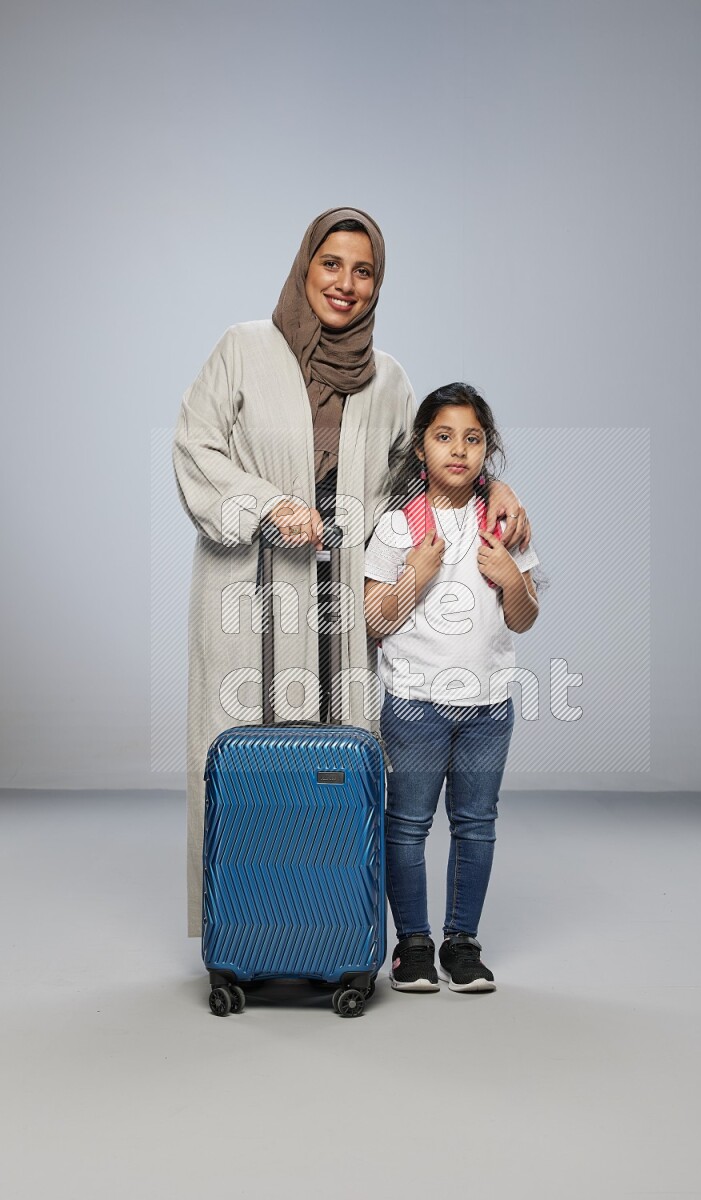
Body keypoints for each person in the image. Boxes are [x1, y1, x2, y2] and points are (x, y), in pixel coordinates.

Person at [174, 209, 531, 937]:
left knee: (337, 766)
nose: (346, 283)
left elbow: (428, 473)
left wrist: (496, 487)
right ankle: (243, 929)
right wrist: (270, 503)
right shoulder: (242, 349)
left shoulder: (390, 379)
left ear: (378, 284)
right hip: (251, 589)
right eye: (331, 263)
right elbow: (196, 448)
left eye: (364, 270)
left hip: (343, 604)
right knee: (242, 760)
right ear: (304, 266)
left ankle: (330, 930)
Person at [364, 382, 545, 993]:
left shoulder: (502, 521)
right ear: (422, 448)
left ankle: (461, 942)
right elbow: (375, 617)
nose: (458, 451)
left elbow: (523, 617)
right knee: (408, 824)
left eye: (472, 439)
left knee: (476, 823)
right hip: (414, 703)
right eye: (444, 437)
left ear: (486, 449)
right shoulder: (397, 525)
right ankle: (412, 944)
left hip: (489, 705)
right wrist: (418, 572)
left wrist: (509, 578)